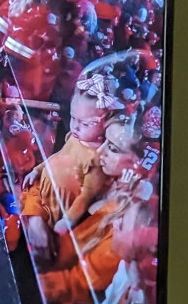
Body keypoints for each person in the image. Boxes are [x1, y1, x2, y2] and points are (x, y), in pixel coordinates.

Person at [30, 116, 145, 304]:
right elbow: (39, 185)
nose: (100, 152)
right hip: (34, 257)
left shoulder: (126, 223)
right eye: (103, 141)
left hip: (48, 299)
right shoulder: (97, 169)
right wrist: (35, 219)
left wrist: (29, 283)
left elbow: (79, 283)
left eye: (114, 149)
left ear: (135, 163)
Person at [15, 71, 120, 253]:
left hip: (59, 209)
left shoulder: (97, 160)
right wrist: (38, 170)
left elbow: (85, 198)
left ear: (106, 124)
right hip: (41, 194)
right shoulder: (75, 137)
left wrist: (68, 221)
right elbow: (58, 156)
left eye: (85, 124)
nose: (76, 127)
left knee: (40, 249)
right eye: (73, 118)